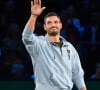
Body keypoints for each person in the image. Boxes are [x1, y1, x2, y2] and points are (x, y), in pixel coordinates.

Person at [22, 0, 87, 90]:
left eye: (56, 22)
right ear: (45, 27)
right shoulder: (38, 44)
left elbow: (77, 74)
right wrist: (33, 16)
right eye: (49, 22)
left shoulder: (70, 47)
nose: (53, 25)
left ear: (60, 25)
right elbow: (26, 37)